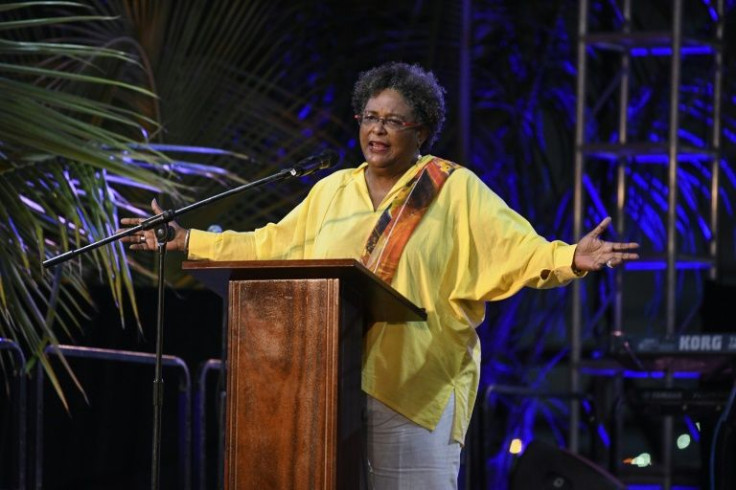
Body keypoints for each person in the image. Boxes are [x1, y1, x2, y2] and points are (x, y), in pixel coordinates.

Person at [121, 61, 639, 489]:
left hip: (413, 384)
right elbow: (269, 245)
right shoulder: (332, 192)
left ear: (421, 130)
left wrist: (570, 257)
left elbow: (514, 247)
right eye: (369, 117)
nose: (378, 129)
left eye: (394, 120)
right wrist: (187, 239)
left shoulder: (452, 189)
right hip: (328, 382)